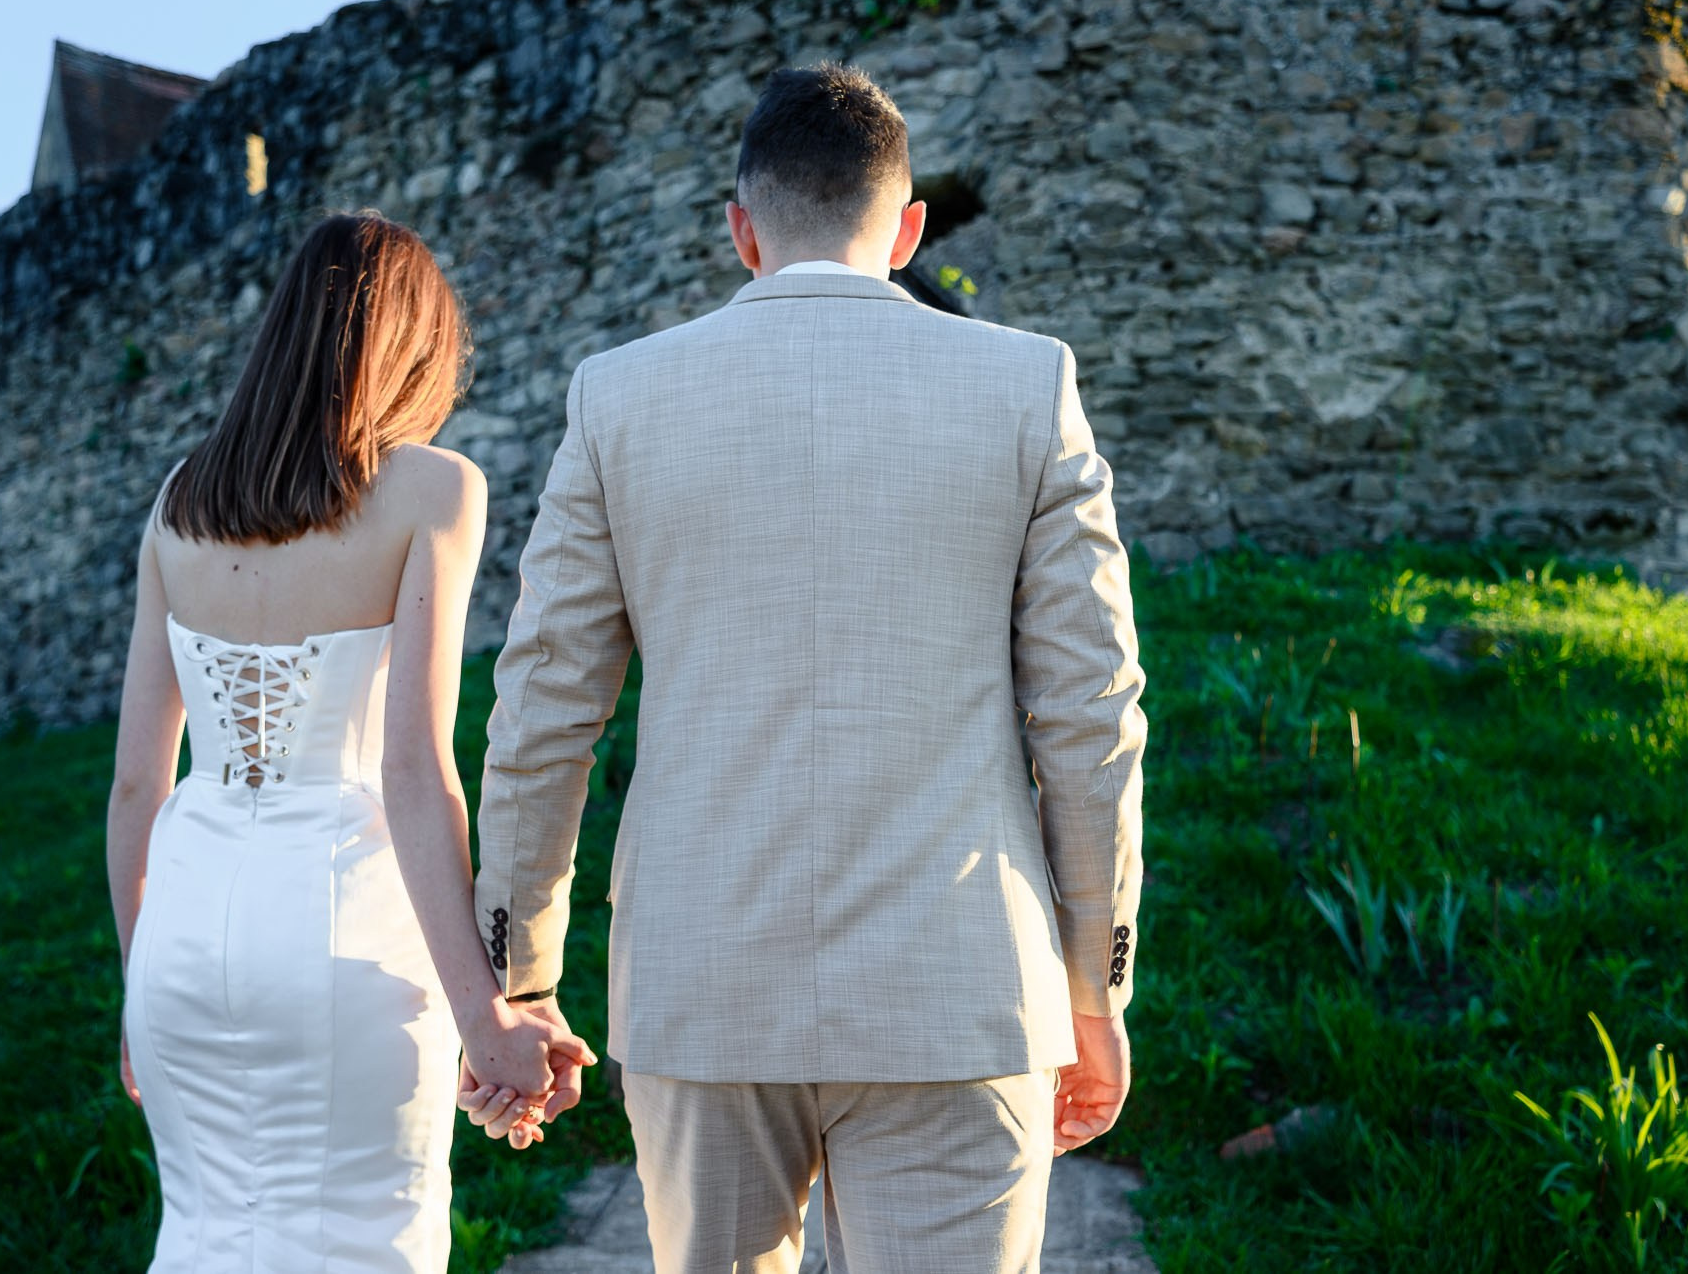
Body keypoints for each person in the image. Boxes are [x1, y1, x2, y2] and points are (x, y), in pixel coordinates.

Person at [469, 64, 1147, 1273]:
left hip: (702, 986)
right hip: (960, 985)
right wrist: (1094, 984)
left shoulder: (615, 399)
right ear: (906, 228)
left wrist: (514, 978)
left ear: (741, 230)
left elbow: (541, 713)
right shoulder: (1025, 385)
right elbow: (1090, 718)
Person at [104, 211, 594, 1274]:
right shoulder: (431, 489)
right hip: (345, 933)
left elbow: (138, 783)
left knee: (200, 1236)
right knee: (365, 1244)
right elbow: (414, 771)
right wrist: (486, 1016)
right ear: (411, 347)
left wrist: (138, 985)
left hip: (181, 942)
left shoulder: (178, 503)